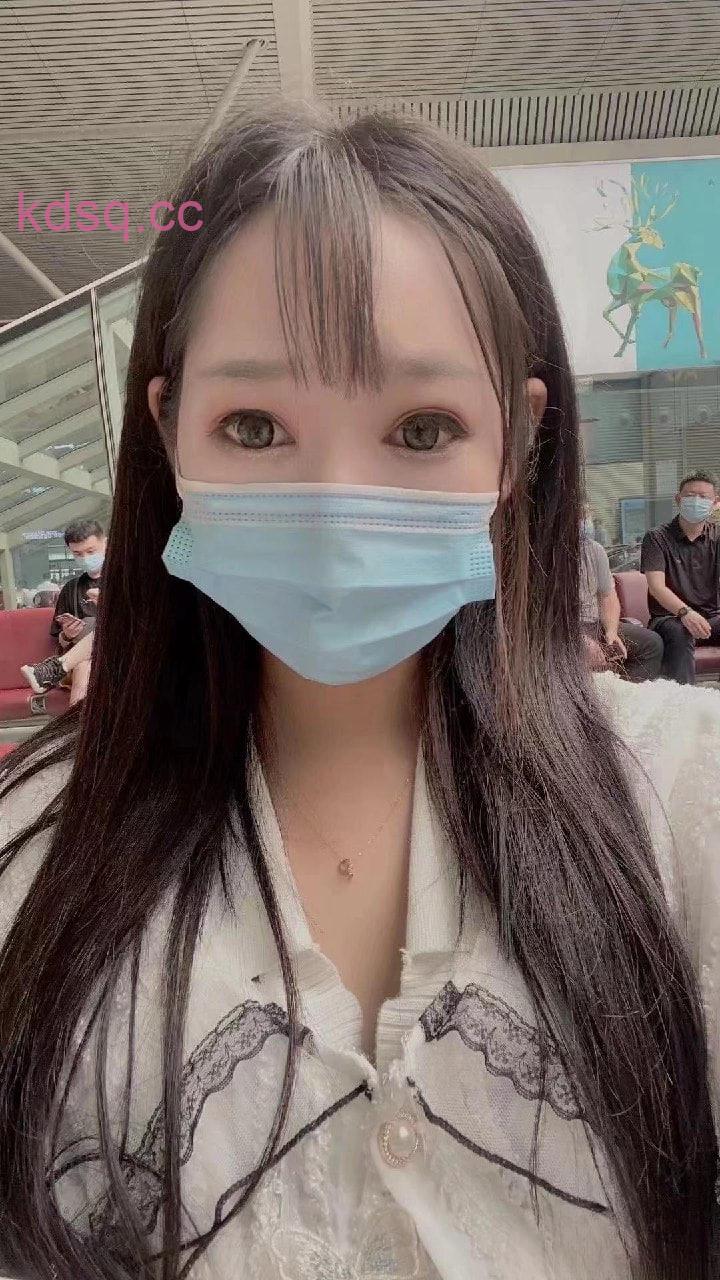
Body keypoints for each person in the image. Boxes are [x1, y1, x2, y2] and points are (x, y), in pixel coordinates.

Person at [0, 102, 718, 1280]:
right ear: (169, 431)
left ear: (517, 438)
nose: (336, 506)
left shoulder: (685, 802)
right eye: (254, 425)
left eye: (422, 427)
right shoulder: (31, 858)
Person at [641, 470, 720, 684]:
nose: (696, 501)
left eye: (703, 497)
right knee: (680, 631)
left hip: (711, 617)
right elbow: (657, 587)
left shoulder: (717, 536)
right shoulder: (657, 538)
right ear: (678, 499)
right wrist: (686, 613)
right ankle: (684, 699)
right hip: (669, 618)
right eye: (690, 495)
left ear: (715, 503)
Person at [580, 509, 663, 681]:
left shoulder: (594, 550)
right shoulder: (541, 555)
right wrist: (579, 640)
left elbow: (607, 596)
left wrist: (611, 631)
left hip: (594, 625)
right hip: (560, 632)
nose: (584, 521)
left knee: (651, 644)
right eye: (579, 516)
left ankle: (626, 694)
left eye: (585, 516)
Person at [48, 520, 106, 702]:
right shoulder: (71, 589)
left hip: (120, 655)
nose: (85, 558)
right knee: (83, 666)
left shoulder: (125, 581)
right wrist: (66, 635)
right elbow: (60, 640)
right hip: (83, 661)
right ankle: (79, 720)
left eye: (91, 551)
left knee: (91, 623)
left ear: (105, 543)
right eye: (78, 554)